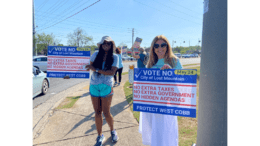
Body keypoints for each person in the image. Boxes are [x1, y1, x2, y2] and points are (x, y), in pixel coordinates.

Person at [139, 35, 183, 146]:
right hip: (152, 107)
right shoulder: (150, 64)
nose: (160, 48)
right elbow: (145, 86)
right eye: (156, 45)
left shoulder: (175, 61)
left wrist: (170, 75)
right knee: (154, 136)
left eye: (163, 45)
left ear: (167, 46)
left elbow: (182, 86)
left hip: (168, 107)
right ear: (153, 48)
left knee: (168, 137)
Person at [85, 36, 119, 146]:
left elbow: (112, 72)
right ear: (101, 45)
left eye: (109, 43)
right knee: (97, 112)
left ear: (111, 45)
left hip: (107, 86)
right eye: (104, 43)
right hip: (94, 85)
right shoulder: (95, 55)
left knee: (106, 112)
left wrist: (96, 69)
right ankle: (100, 135)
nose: (106, 45)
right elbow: (89, 66)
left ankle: (113, 131)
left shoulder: (115, 57)